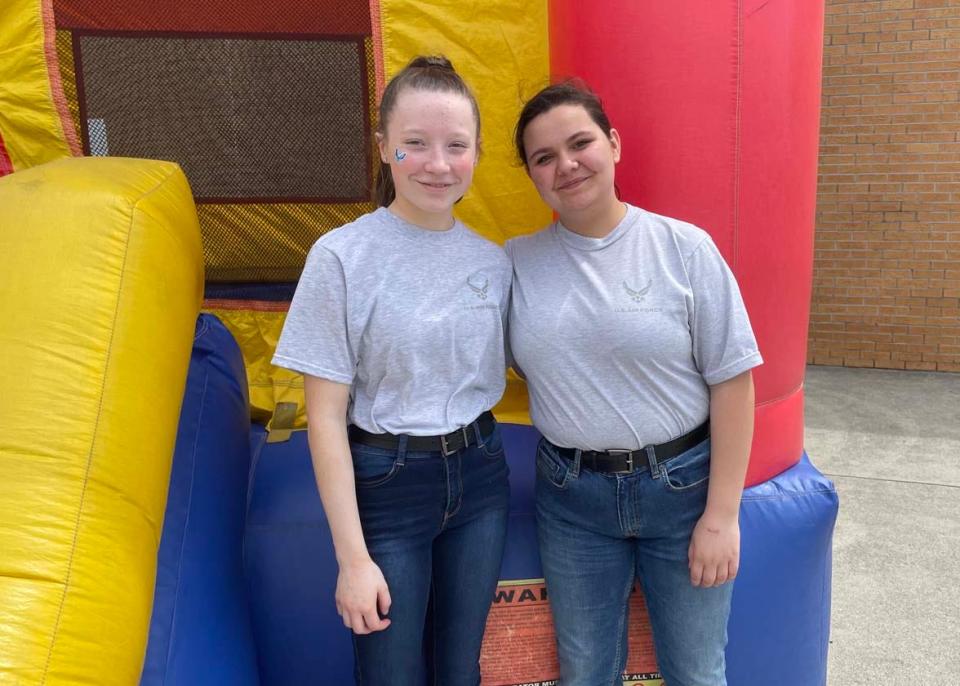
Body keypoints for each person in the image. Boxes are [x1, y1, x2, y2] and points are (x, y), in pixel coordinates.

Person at [505, 81, 763, 686]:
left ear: (613, 144)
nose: (565, 165)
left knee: (696, 673)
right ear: (532, 176)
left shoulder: (683, 248)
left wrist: (721, 516)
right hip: (572, 499)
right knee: (586, 672)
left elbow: (733, 382)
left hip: (682, 491)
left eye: (580, 143)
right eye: (544, 158)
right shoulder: (514, 263)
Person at [272, 56, 511, 686]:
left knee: (461, 670)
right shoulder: (342, 257)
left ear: (476, 153)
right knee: (391, 673)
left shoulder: (495, 263)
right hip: (388, 482)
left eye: (456, 146)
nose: (438, 163)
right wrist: (353, 559)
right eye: (415, 144)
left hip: (481, 476)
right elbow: (323, 417)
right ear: (383, 148)